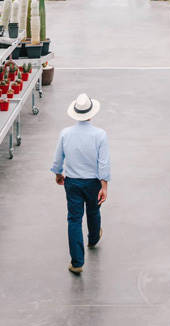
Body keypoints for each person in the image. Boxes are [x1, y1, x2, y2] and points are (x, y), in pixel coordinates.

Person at [50, 93, 111, 275]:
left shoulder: (65, 133)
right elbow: (104, 163)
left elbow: (58, 158)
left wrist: (59, 174)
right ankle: (93, 238)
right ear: (91, 114)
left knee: (74, 219)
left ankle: (77, 262)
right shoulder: (100, 135)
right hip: (93, 183)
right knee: (93, 211)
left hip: (73, 182)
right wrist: (104, 186)